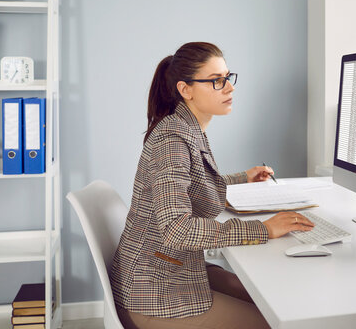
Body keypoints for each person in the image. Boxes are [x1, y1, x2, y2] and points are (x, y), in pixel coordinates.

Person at [110, 42, 314, 329]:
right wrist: (264, 229)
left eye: (228, 78)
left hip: (169, 269)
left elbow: (190, 184)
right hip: (155, 293)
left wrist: (243, 177)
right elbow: (176, 228)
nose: (229, 88)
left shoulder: (186, 128)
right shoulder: (173, 140)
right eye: (217, 81)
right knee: (278, 322)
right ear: (186, 89)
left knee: (275, 301)